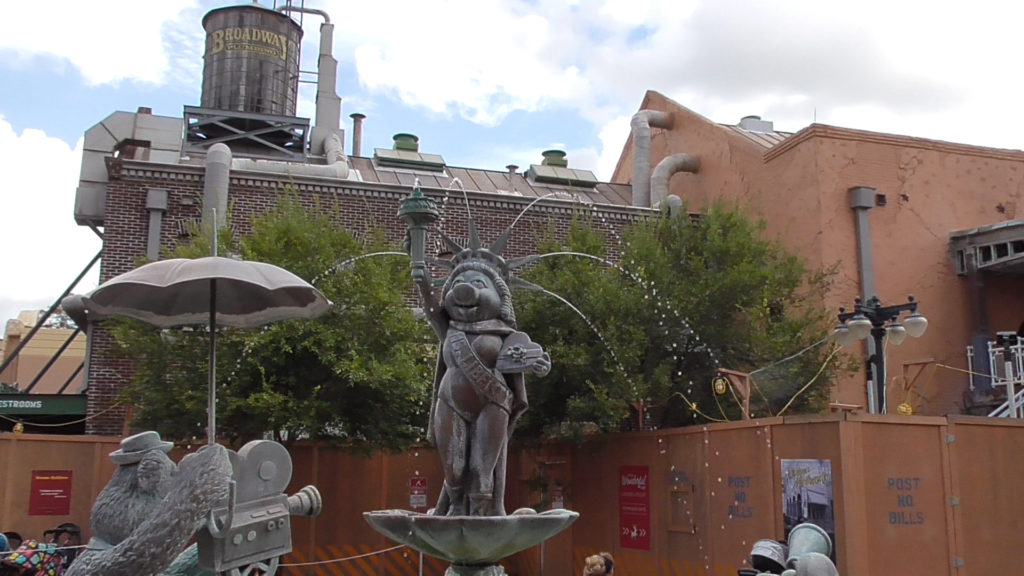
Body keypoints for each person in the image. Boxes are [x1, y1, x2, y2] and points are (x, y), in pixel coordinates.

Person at [414, 241, 550, 517]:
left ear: (500, 297)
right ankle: (454, 508)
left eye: (478, 281)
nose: (465, 287)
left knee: (480, 468)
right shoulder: (449, 328)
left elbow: (527, 358)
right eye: (458, 283)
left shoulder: (504, 334)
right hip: (450, 401)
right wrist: (421, 277)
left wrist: (539, 364)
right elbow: (430, 310)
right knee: (453, 468)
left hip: (493, 404)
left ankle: (478, 515)